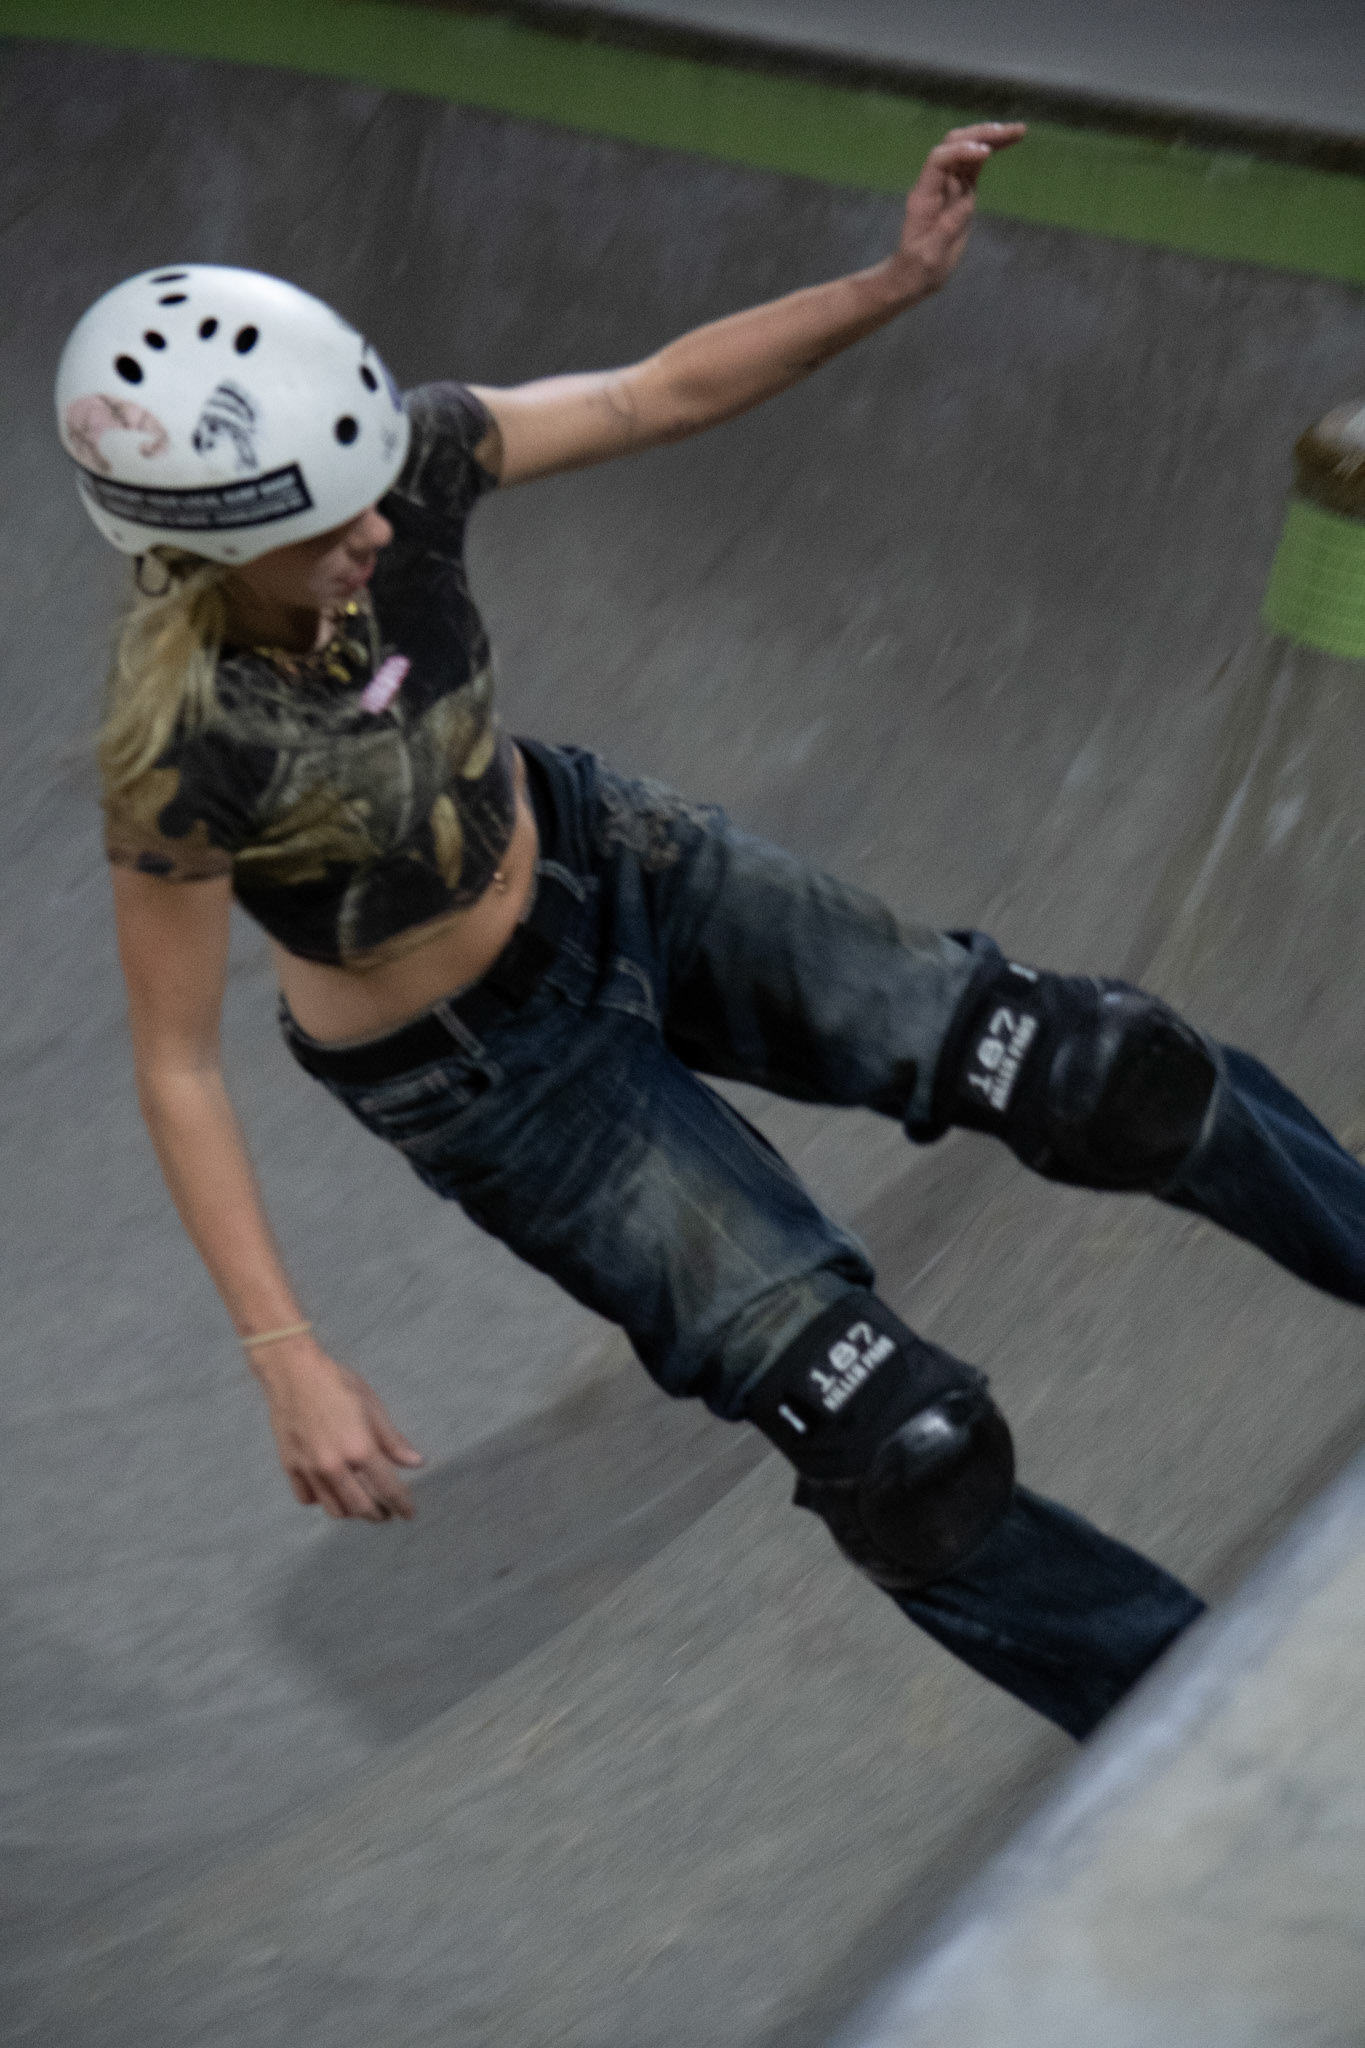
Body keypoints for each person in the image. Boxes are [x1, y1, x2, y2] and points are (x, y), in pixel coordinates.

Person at [57, 125, 1365, 1742]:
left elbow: (648, 393)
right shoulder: (179, 751)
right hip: (500, 1088)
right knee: (899, 1452)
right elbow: (177, 1066)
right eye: (324, 534)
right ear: (195, 550)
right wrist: (285, 1355)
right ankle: (1215, 1745)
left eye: (370, 494)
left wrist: (889, 282)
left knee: (1108, 1070)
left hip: (621, 868)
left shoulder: (403, 467)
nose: (374, 537)